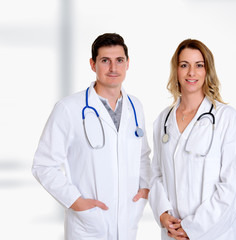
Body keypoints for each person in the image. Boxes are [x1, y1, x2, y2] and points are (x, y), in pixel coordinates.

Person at [32, 33, 151, 240]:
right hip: (87, 227)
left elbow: (142, 156)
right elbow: (43, 165)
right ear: (92, 64)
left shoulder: (135, 106)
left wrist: (144, 190)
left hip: (127, 222)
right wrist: (77, 202)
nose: (113, 68)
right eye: (105, 61)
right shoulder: (69, 108)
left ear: (127, 64)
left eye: (119, 60)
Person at [149, 39, 236, 240]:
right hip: (173, 233)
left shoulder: (227, 119)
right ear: (176, 71)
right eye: (184, 65)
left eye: (199, 65)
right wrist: (162, 214)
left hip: (217, 234)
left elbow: (232, 188)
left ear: (207, 71)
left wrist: (192, 228)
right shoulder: (163, 120)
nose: (191, 73)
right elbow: (156, 175)